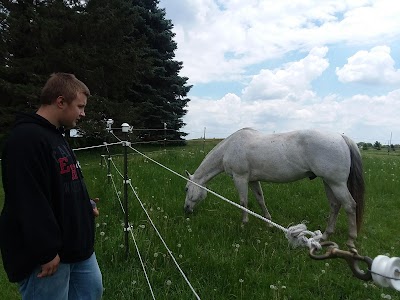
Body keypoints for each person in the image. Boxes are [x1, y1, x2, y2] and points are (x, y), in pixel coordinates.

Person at [0, 73, 103, 299]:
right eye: (80, 106)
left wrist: (84, 205)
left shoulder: (55, 136)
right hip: (49, 257)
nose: (83, 113)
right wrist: (46, 251)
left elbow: (64, 180)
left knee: (92, 291)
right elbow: (26, 200)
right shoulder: (25, 140)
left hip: (77, 249)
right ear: (60, 101)